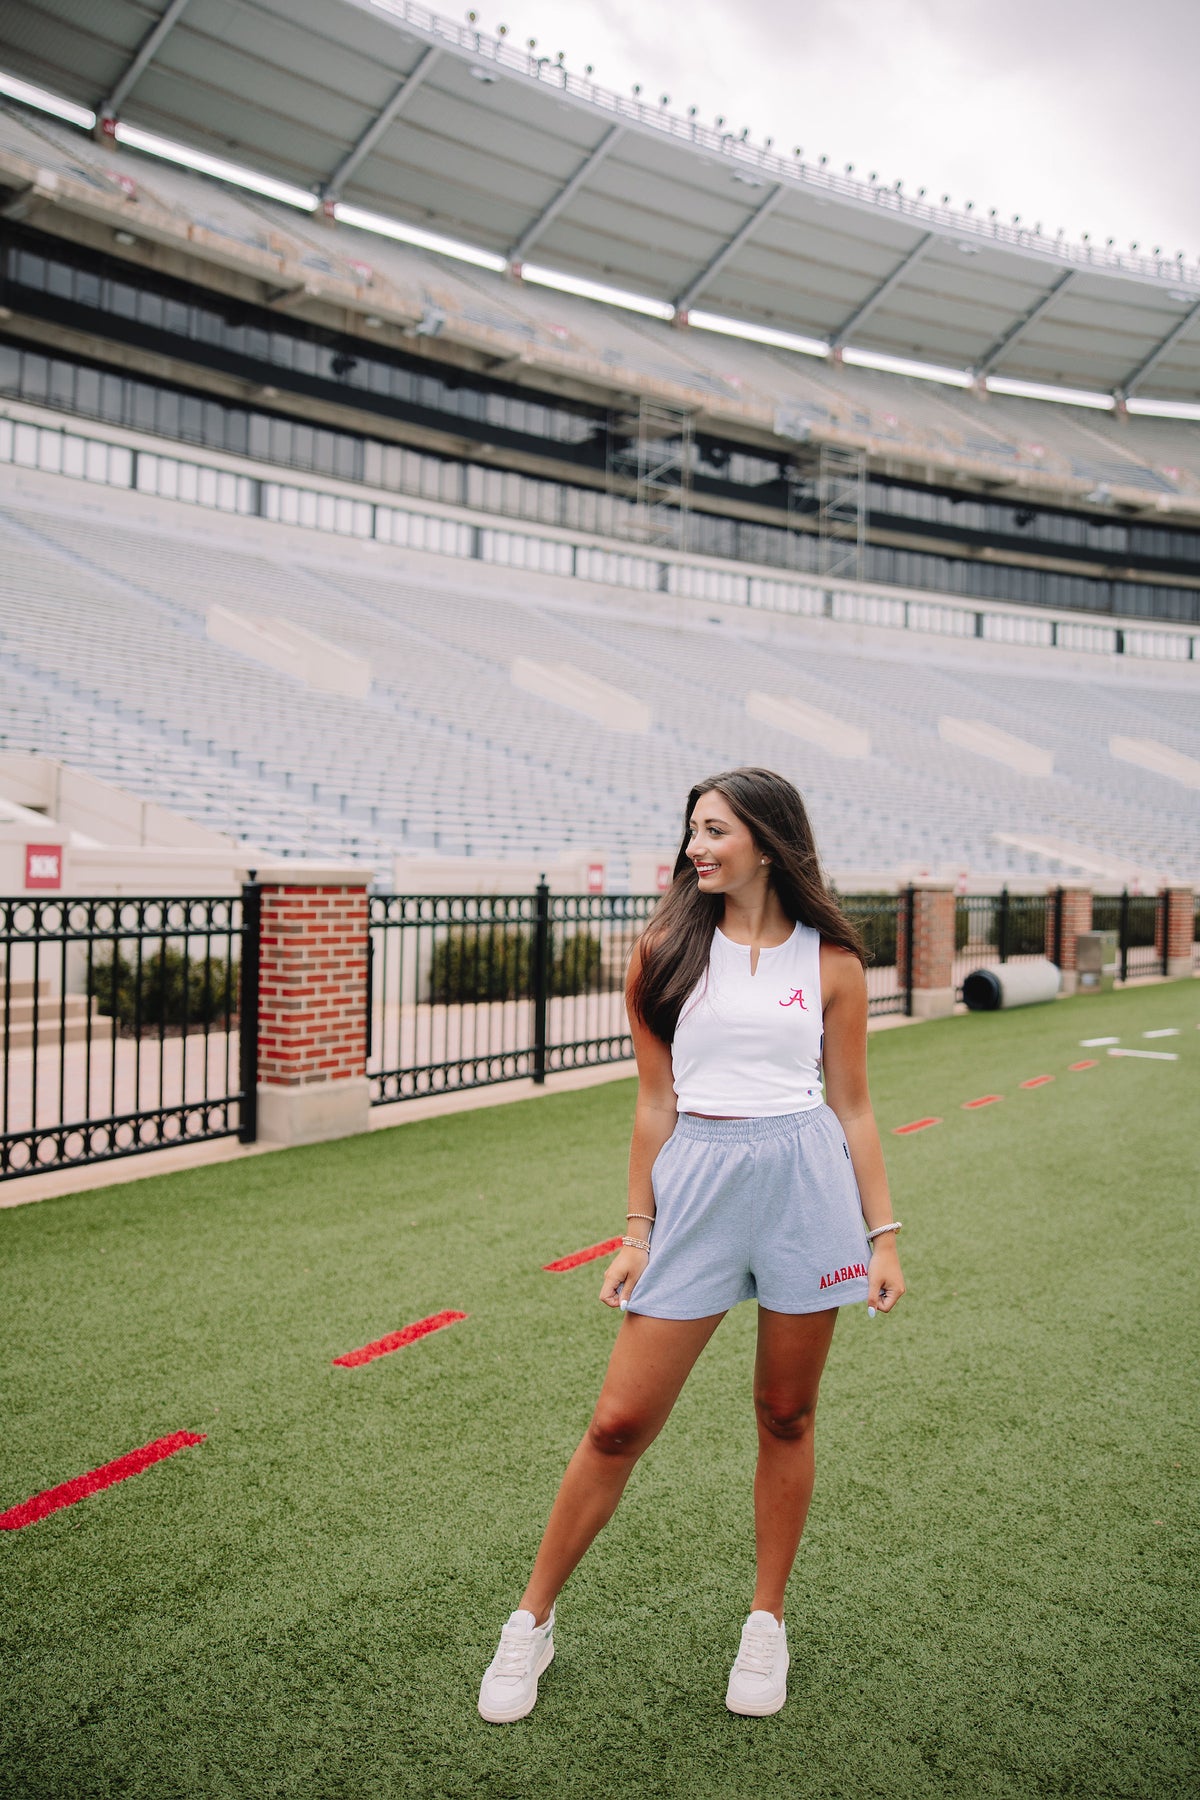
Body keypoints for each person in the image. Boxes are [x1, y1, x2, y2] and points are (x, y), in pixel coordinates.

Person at [478, 767, 905, 1723]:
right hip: (699, 1184)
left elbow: (855, 1105)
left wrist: (882, 1234)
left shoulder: (832, 962)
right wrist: (638, 1229)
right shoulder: (665, 949)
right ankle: (531, 1621)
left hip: (806, 1186)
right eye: (692, 831)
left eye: (715, 830)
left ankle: (766, 1622)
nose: (697, 847)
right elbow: (653, 1103)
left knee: (786, 1415)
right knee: (618, 1423)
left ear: (767, 839)